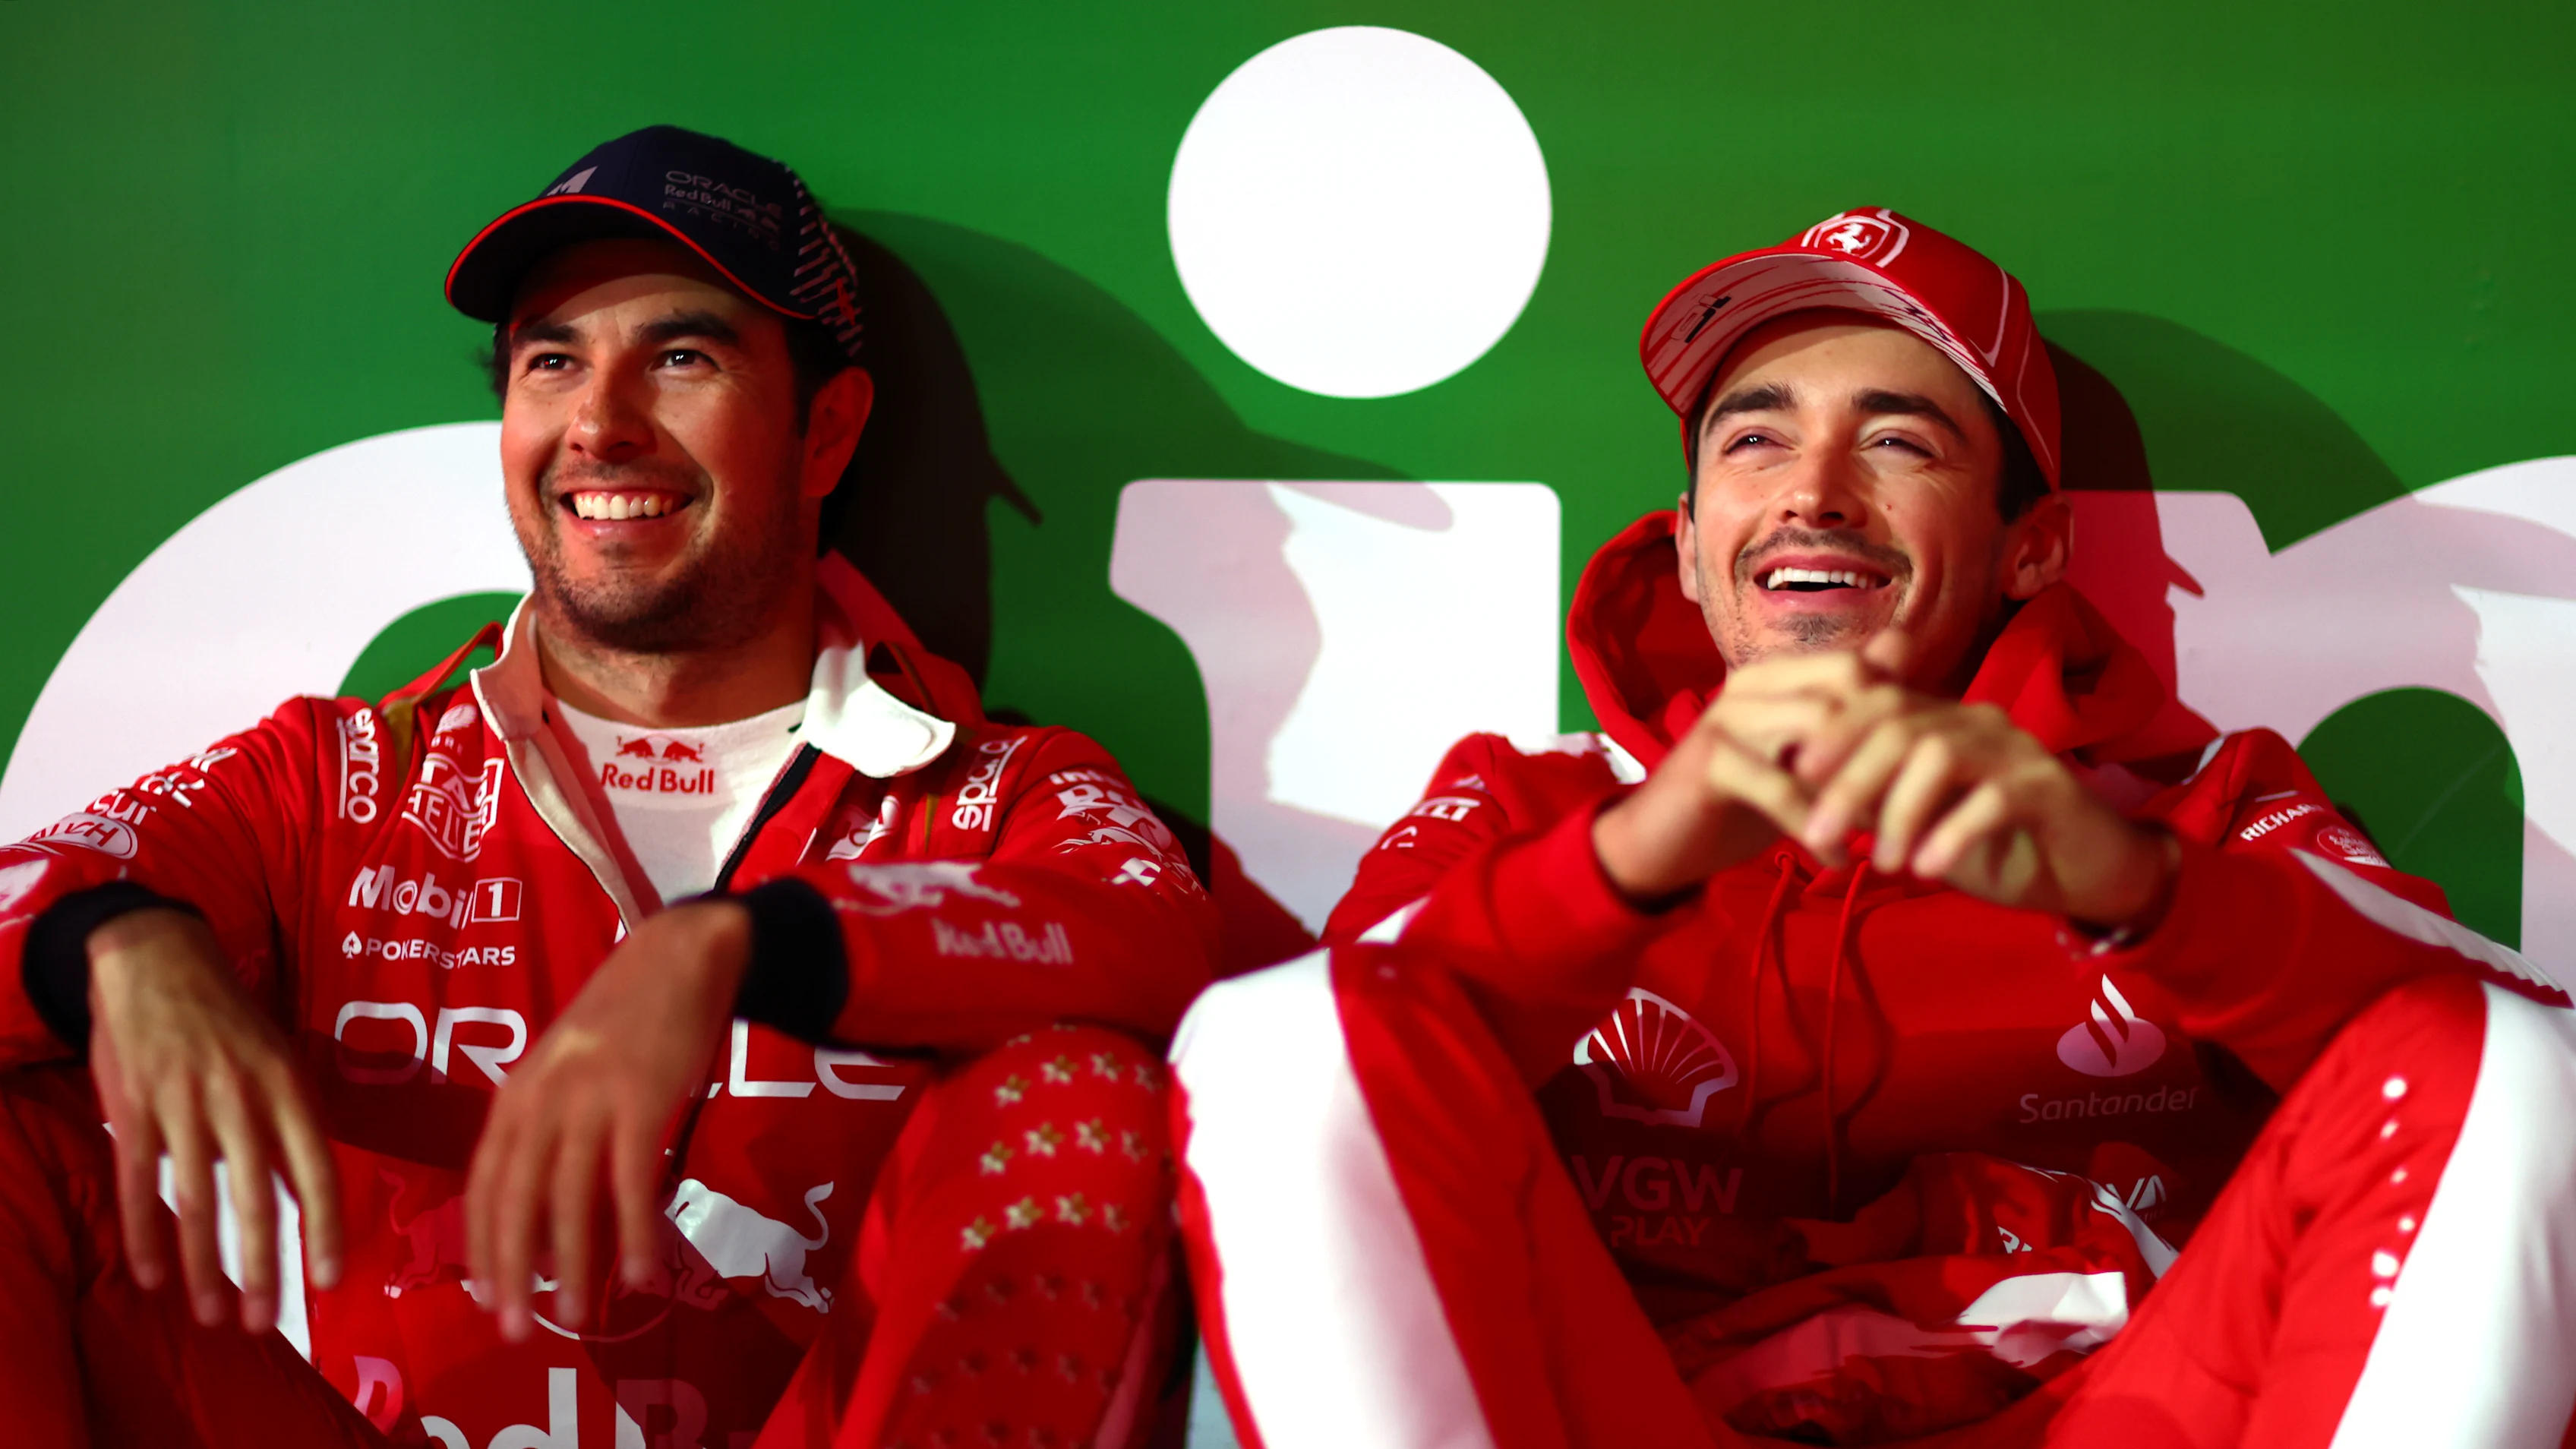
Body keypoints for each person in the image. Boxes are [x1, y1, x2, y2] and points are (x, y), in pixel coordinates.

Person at [1168, 208, 2576, 1447]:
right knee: (1275, 1040)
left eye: (1896, 440)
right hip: (1640, 1411)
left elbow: (2519, 1048)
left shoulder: (2202, 808)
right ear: (1686, 539)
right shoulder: (1532, 802)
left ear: (2030, 547)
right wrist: (1639, 863)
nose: (1814, 491)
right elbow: (1330, 1067)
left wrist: (2137, 887)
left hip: (2118, 1411)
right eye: (1756, 437)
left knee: (2507, 1064)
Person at [0, 125, 1216, 1448]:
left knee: (1078, 1092)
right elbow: (36, 893)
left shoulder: (997, 795)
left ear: (825, 431)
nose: (599, 424)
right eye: (552, 361)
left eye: (681, 357)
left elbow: (1162, 943)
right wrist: (106, 940)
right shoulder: (337, 781)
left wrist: (745, 948)